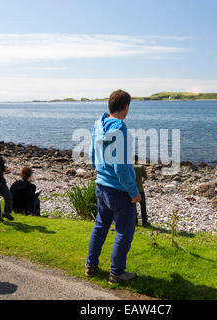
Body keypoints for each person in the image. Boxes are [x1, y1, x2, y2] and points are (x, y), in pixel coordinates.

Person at [85, 89, 141, 284]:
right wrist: (134, 192)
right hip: (119, 190)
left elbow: (93, 155)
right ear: (125, 107)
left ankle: (90, 265)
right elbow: (122, 167)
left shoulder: (97, 125)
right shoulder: (120, 128)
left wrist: (101, 171)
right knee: (124, 231)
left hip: (101, 185)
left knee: (100, 226)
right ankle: (116, 273)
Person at [133, 155, 149, 227]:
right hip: (140, 189)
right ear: (137, 160)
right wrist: (141, 182)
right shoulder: (141, 167)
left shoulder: (129, 167)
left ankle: (135, 221)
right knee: (143, 206)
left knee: (133, 206)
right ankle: (144, 222)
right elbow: (146, 177)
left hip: (132, 189)